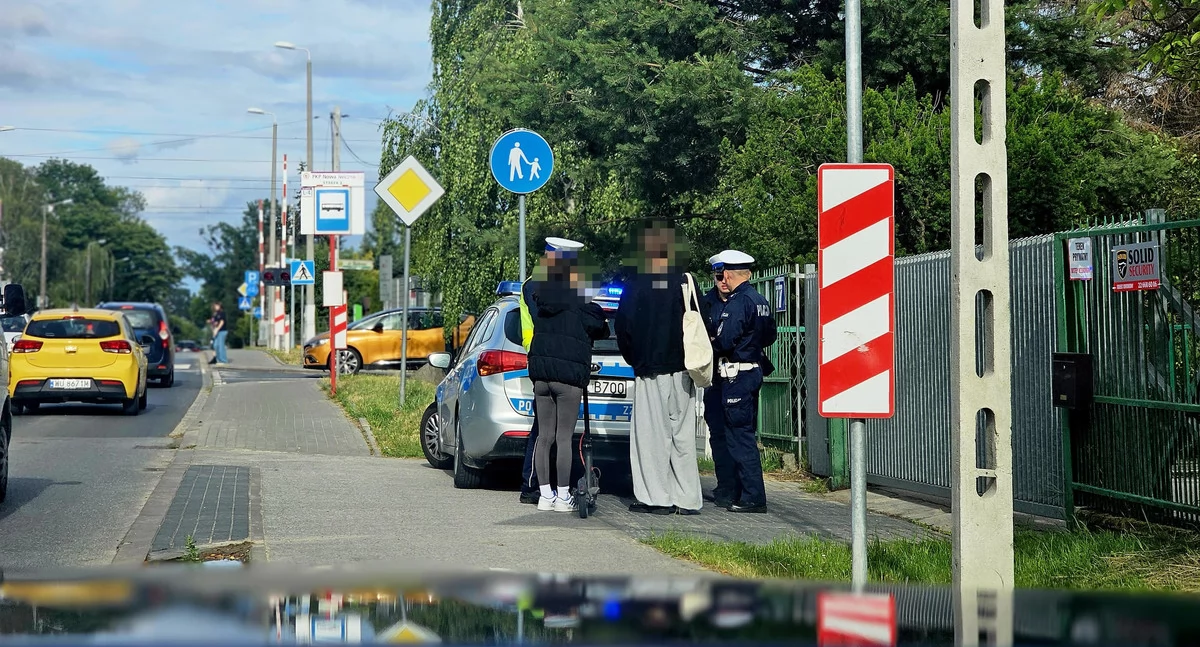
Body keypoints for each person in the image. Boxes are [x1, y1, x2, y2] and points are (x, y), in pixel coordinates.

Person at [614, 222, 703, 515]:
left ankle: (657, 498)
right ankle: (688, 499)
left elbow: (623, 328)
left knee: (652, 436)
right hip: (684, 370)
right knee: (683, 435)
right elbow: (702, 321)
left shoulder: (636, 283)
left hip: (650, 368)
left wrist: (634, 358)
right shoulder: (686, 281)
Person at [527, 255, 609, 512]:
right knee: (564, 438)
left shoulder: (541, 302)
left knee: (544, 437)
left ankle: (544, 495)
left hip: (541, 378)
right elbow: (602, 329)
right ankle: (563, 497)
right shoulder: (584, 306)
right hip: (568, 380)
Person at [706, 250, 778, 513]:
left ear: (727, 273)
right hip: (748, 373)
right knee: (740, 434)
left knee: (739, 438)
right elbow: (770, 336)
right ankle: (741, 491)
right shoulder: (759, 299)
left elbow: (724, 341)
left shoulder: (738, 302)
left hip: (736, 375)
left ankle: (752, 496)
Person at [518, 237, 586, 505]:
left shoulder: (530, 287)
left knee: (542, 433)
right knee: (562, 436)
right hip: (566, 366)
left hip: (539, 364)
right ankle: (558, 492)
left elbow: (533, 323)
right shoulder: (575, 289)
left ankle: (538, 489)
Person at [699, 252, 738, 507]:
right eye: (718, 276)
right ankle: (725, 485)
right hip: (714, 377)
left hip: (738, 376)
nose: (723, 281)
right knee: (717, 433)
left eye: (727, 276)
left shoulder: (744, 300)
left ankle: (740, 486)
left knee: (739, 433)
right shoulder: (705, 303)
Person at [210, 301, 228, 366]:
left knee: (221, 346)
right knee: (215, 345)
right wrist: (213, 328)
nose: (216, 307)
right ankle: (218, 359)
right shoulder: (215, 314)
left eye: (217, 306)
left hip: (222, 331)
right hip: (216, 331)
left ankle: (223, 360)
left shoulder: (222, 313)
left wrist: (217, 329)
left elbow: (222, 322)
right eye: (215, 306)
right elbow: (214, 322)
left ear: (220, 306)